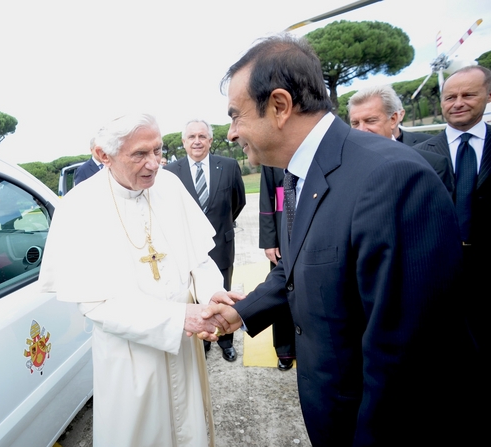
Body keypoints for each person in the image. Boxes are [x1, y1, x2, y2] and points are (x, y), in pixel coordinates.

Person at [201, 34, 478, 446]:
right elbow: (298, 267)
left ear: (279, 106)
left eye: (236, 116)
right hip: (330, 411)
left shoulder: (391, 178)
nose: (230, 133)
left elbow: (407, 362)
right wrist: (240, 313)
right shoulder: (304, 175)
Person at [38, 113, 241, 446]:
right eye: (140, 154)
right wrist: (179, 317)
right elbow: (95, 303)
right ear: (105, 155)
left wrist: (212, 296)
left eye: (158, 150)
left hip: (184, 346)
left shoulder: (170, 186)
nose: (154, 164)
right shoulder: (78, 207)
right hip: (130, 355)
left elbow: (198, 260)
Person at [414, 65, 491, 354]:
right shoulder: (419, 154)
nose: (457, 103)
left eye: (468, 94)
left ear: (488, 96)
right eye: (450, 97)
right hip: (440, 268)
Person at [165, 119, 246, 362]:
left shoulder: (230, 166)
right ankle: (203, 340)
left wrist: (220, 226)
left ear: (210, 140)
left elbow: (238, 202)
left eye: (202, 136)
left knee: (221, 292)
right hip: (186, 249)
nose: (197, 141)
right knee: (192, 292)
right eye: (192, 137)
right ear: (183, 142)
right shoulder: (170, 173)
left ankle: (225, 340)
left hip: (221, 244)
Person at [348, 84, 454, 194]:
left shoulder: (432, 164)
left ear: (393, 119)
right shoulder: (344, 166)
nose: (361, 129)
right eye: (355, 123)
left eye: (370, 121)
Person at [258, 165, 295, 370]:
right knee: (281, 288)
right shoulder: (270, 152)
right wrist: (269, 240)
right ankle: (285, 348)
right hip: (282, 231)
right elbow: (266, 199)